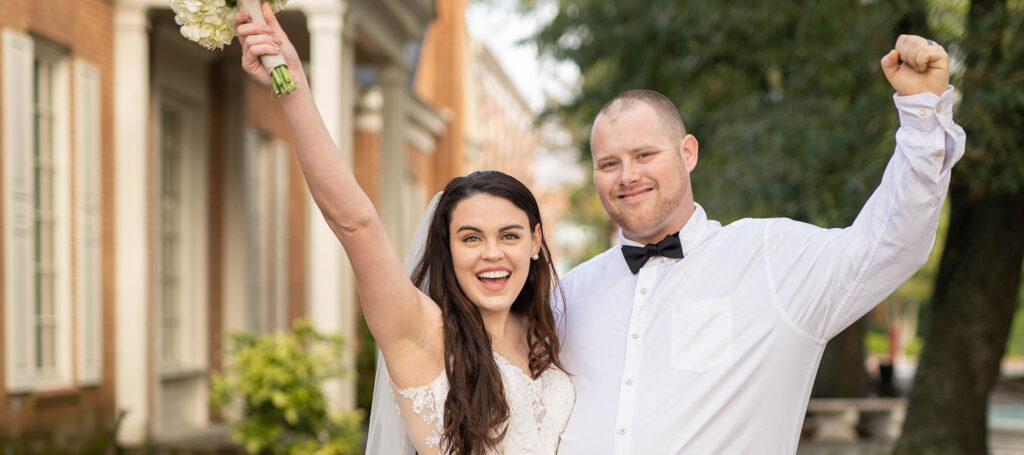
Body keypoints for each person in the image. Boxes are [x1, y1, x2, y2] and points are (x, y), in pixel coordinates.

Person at [554, 35, 965, 454]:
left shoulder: (770, 257)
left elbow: (889, 245)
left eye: (644, 155)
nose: (627, 176)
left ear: (688, 153)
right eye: (609, 164)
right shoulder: (569, 296)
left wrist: (921, 117)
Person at [233, 5, 574, 455]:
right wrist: (291, 84)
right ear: (447, 249)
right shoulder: (423, 333)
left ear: (535, 242)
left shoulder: (546, 333)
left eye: (509, 236)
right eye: (471, 238)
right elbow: (355, 223)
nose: (492, 253)